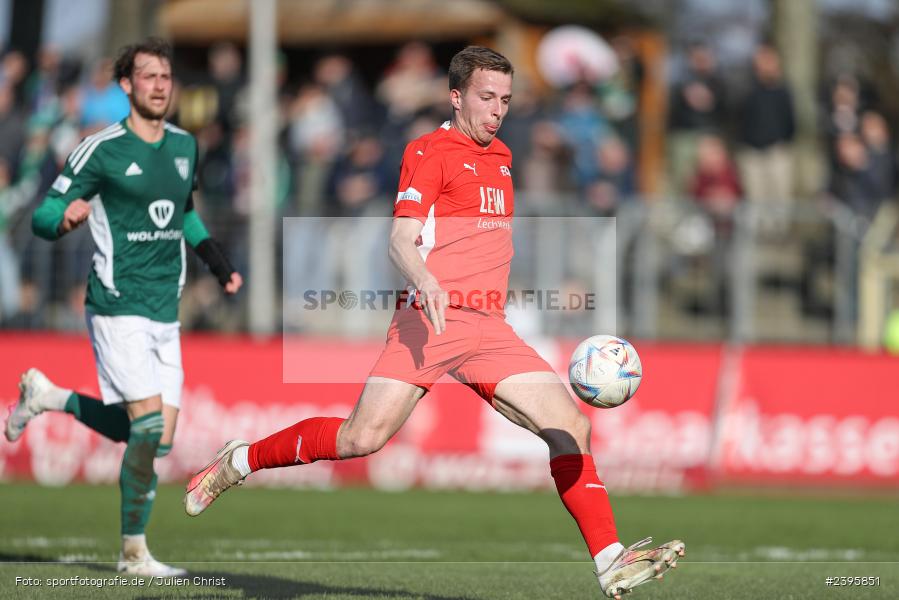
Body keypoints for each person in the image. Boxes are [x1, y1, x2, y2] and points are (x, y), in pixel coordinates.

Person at [184, 46, 684, 599]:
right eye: (486, 98)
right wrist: (424, 281)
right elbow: (400, 238)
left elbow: (483, 244)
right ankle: (241, 458)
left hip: (489, 329)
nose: (497, 110)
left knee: (572, 428)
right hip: (430, 322)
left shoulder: (504, 157)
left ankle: (610, 560)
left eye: (506, 100)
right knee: (361, 438)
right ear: (456, 96)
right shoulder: (428, 151)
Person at [4, 38, 242, 576]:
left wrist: (219, 261)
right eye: (148, 77)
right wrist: (63, 221)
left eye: (166, 76)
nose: (159, 85)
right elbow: (44, 212)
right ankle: (133, 552)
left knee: (158, 438)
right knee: (147, 428)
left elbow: (184, 213)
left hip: (164, 308)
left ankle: (49, 397)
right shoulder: (102, 148)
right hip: (116, 303)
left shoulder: (184, 146)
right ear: (126, 87)